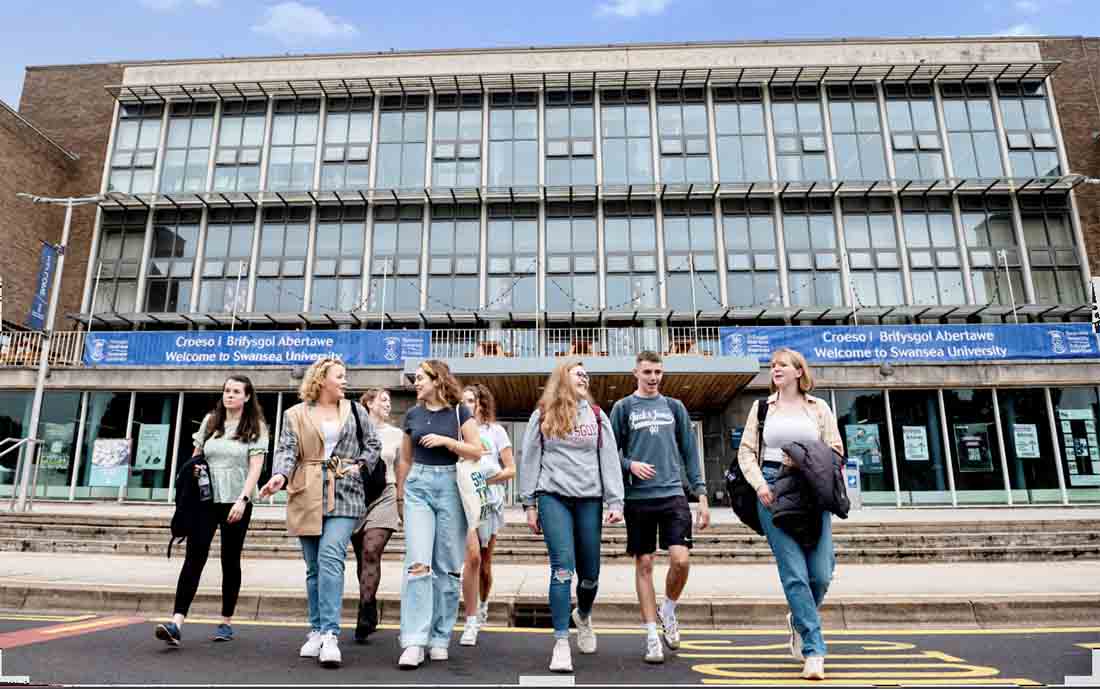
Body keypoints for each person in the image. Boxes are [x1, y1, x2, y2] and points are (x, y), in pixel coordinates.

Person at [259, 357, 381, 669]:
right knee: (313, 566)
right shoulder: (294, 414)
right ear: (321, 379)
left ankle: (330, 634)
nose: (345, 381)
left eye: (345, 376)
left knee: (330, 557)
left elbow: (373, 444)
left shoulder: (355, 411)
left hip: (345, 492)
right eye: (340, 376)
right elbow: (287, 450)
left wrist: (359, 465)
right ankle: (315, 629)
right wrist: (280, 477)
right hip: (306, 490)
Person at [736, 347, 843, 681]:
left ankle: (798, 619)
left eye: (782, 364)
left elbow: (836, 450)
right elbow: (746, 452)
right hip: (772, 487)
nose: (775, 369)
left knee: (821, 574)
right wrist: (759, 486)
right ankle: (814, 650)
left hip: (811, 489)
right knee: (794, 573)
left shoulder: (819, 407)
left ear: (799, 371)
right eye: (772, 365)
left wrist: (806, 459)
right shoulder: (762, 408)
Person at [518, 358, 624, 674]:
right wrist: (529, 505)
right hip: (554, 498)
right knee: (562, 568)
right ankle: (561, 641)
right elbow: (530, 460)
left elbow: (609, 459)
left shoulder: (596, 415)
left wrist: (615, 502)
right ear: (562, 378)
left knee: (590, 574)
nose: (584, 377)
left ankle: (584, 615)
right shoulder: (543, 415)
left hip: (589, 499)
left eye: (586, 375)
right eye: (578, 373)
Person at [609, 350, 710, 665]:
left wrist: (701, 495)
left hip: (672, 495)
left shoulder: (674, 407)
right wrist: (629, 464)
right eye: (647, 372)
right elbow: (609, 453)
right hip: (638, 499)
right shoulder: (623, 408)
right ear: (635, 373)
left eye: (657, 372)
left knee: (680, 561)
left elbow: (690, 453)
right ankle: (652, 635)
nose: (653, 378)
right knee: (645, 565)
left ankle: (668, 609)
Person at [155, 375, 267, 647]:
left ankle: (226, 622)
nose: (229, 395)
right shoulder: (210, 422)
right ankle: (176, 622)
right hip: (206, 499)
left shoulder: (256, 427)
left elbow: (256, 467)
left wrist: (243, 500)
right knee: (194, 556)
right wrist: (192, 470)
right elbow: (195, 457)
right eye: (227, 390)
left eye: (236, 391)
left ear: (247, 397)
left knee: (230, 560)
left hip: (235, 501)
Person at [396, 359, 483, 670]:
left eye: (420, 378)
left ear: (437, 380)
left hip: (450, 486)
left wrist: (448, 441)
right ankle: (414, 641)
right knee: (418, 564)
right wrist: (400, 493)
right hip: (418, 485)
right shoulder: (412, 414)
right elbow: (405, 459)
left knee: (447, 567)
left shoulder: (460, 411)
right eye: (415, 379)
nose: (416, 383)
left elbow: (477, 450)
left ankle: (440, 636)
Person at [458, 384, 516, 646]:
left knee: (484, 562)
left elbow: (511, 469)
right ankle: (469, 613)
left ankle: (482, 603)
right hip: (463, 500)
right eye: (463, 401)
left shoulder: (496, 432)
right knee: (469, 558)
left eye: (471, 400)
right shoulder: (456, 430)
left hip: (489, 502)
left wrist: (486, 479)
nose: (466, 405)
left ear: (481, 403)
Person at [350, 388, 404, 643]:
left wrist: (402, 502)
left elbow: (403, 469)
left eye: (390, 401)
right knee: (362, 557)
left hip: (386, 493)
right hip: (355, 496)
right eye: (383, 400)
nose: (388, 404)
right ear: (368, 403)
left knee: (372, 550)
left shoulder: (397, 435)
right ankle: (369, 605)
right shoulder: (352, 431)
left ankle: (364, 613)